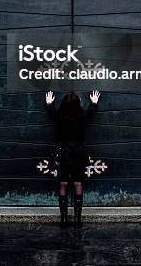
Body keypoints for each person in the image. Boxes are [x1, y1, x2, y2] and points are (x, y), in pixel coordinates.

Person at [45, 89, 100, 227]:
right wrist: (94, 103)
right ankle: (77, 220)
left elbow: (53, 114)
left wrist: (49, 104)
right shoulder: (82, 117)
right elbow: (90, 114)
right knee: (78, 184)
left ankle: (63, 219)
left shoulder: (60, 117)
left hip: (64, 154)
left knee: (63, 184)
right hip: (78, 154)